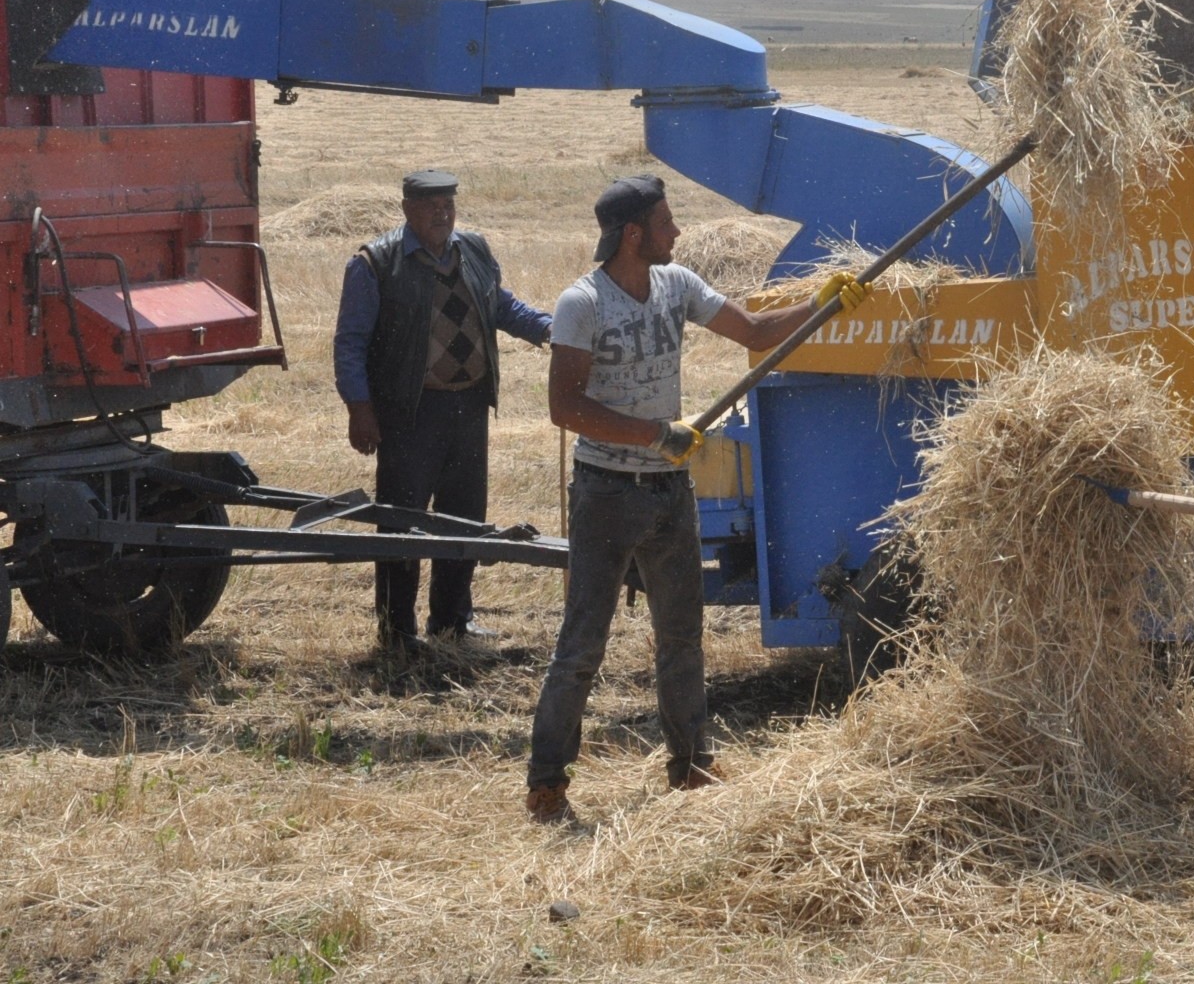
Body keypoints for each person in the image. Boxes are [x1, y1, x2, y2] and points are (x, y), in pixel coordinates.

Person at [525, 175, 869, 823]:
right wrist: (656, 435)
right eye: (666, 223)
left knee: (682, 637)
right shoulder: (582, 303)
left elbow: (757, 332)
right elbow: (564, 407)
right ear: (633, 235)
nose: (677, 232)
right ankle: (547, 784)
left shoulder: (676, 285)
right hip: (606, 493)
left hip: (667, 491)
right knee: (583, 646)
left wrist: (821, 303)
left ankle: (690, 765)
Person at [334, 169, 553, 649]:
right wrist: (359, 408)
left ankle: (453, 621)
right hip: (409, 413)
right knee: (402, 522)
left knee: (464, 516)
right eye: (431, 206)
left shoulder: (473, 249)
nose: (442, 214)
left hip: (469, 406)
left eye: (448, 204)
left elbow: (501, 306)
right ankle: (397, 632)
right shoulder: (375, 264)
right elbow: (350, 344)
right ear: (407, 209)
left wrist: (548, 329)